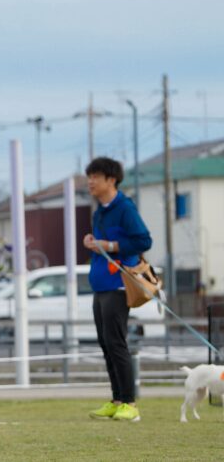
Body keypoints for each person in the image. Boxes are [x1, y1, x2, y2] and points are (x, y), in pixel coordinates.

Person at [82, 156, 151, 423]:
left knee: (116, 343)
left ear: (111, 180)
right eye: (89, 177)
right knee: (105, 344)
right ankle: (117, 399)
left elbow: (143, 240)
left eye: (95, 177)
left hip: (119, 284)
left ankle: (130, 404)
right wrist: (92, 241)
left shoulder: (125, 207)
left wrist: (110, 245)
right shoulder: (99, 211)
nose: (90, 182)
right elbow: (102, 243)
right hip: (100, 284)